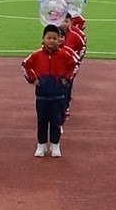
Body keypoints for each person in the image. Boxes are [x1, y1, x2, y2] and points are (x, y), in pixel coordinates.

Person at [22, 24, 78, 157]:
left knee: (56, 121)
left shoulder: (65, 55)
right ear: (43, 38)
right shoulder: (36, 55)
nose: (52, 40)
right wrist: (34, 80)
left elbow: (74, 66)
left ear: (59, 39)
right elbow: (25, 66)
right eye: (49, 38)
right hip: (41, 96)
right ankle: (41, 145)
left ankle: (55, 144)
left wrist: (65, 79)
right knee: (42, 121)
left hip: (58, 95)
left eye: (54, 38)